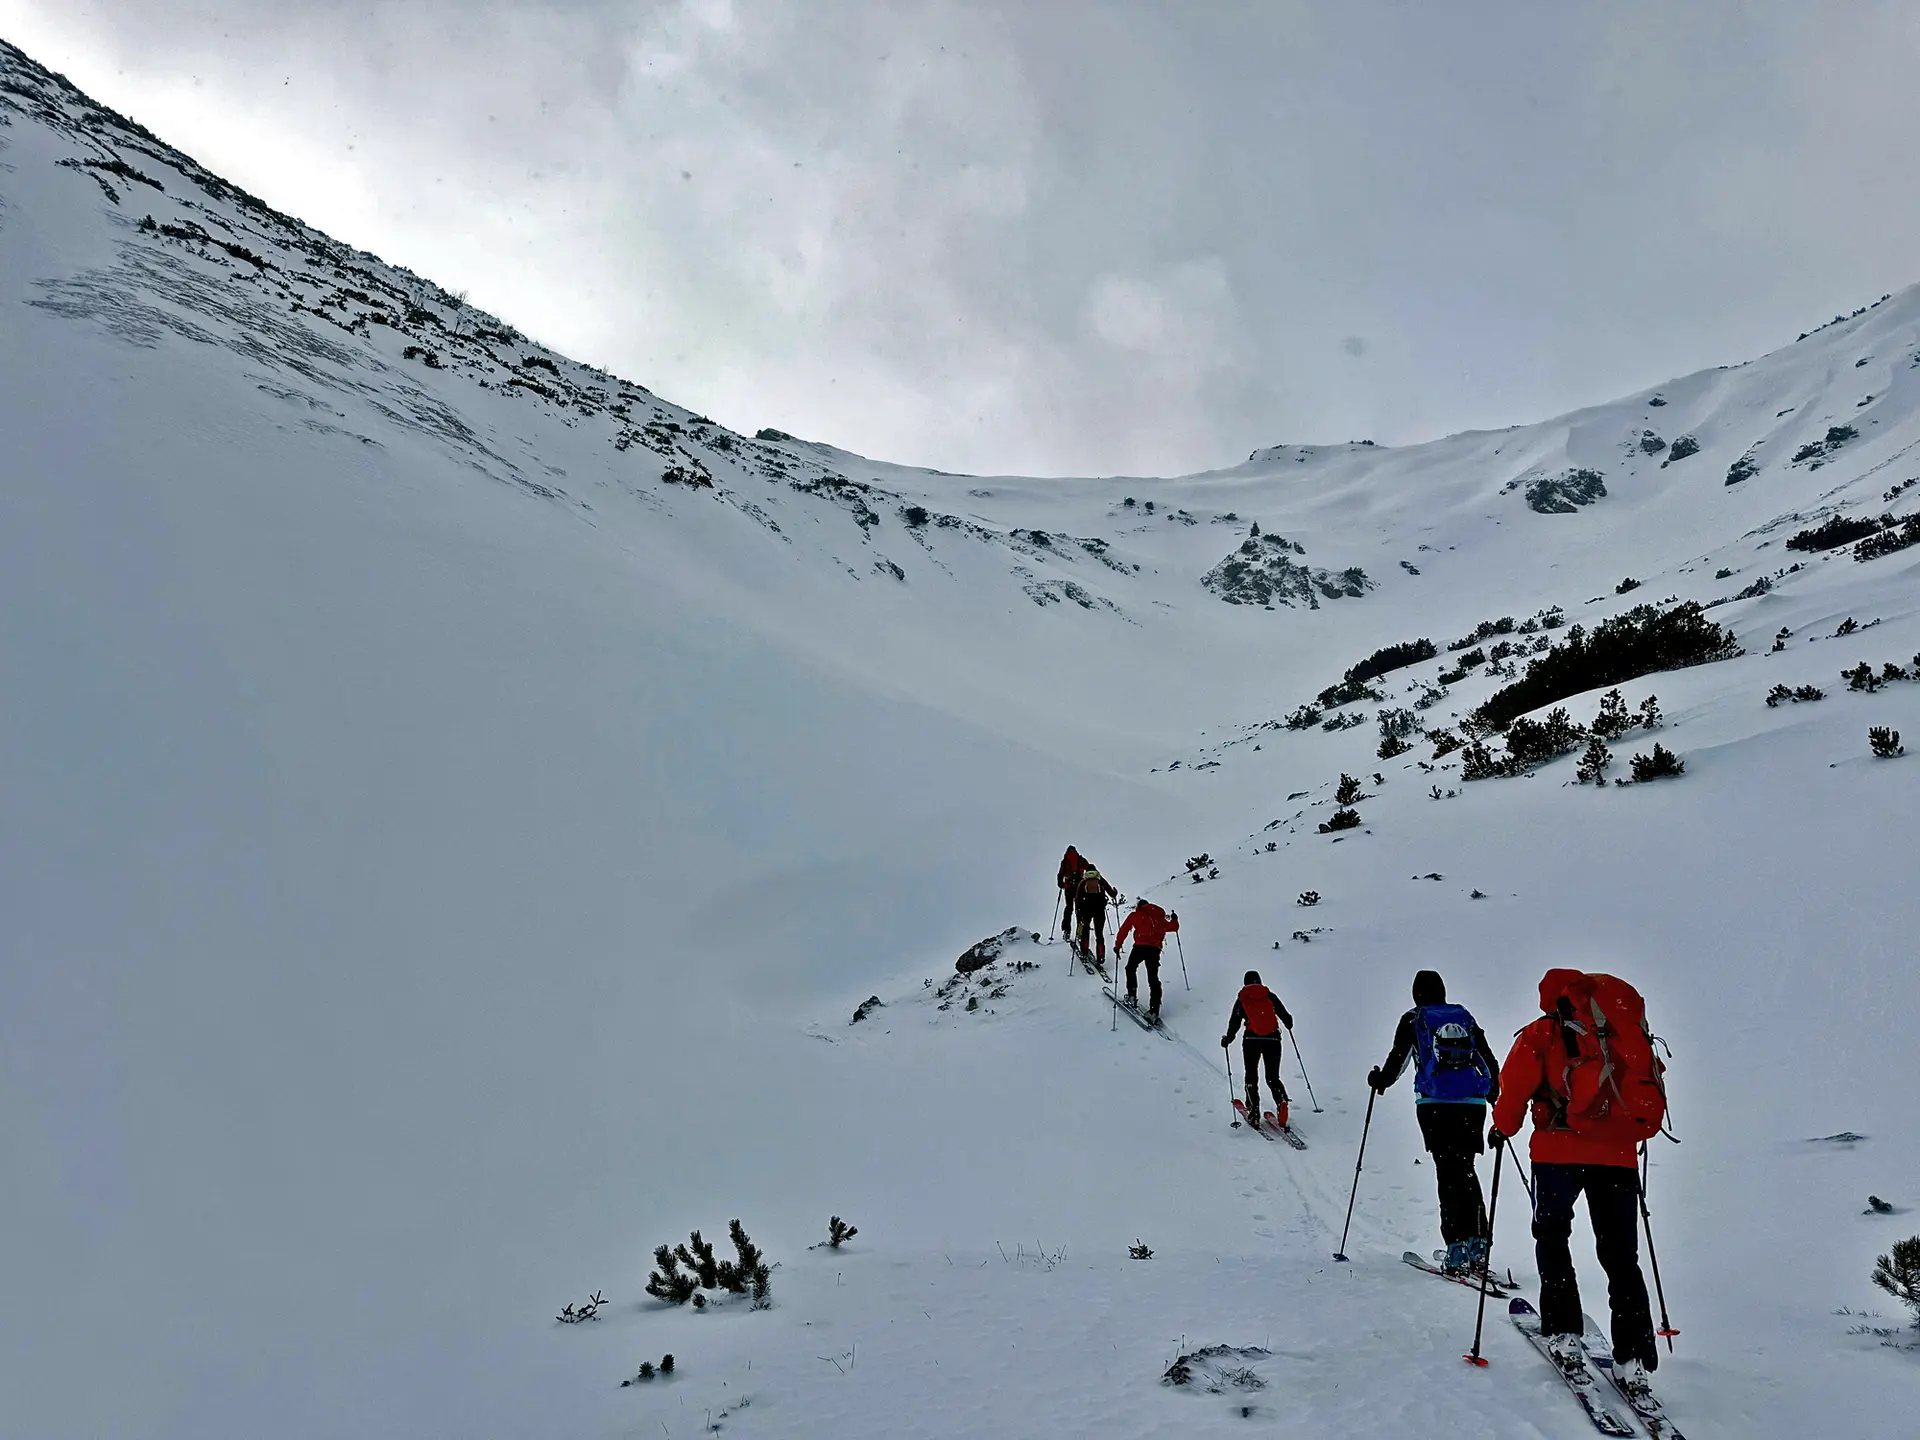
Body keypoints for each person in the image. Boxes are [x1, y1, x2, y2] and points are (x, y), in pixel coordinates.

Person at [1490, 968, 1661, 1398]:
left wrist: (1502, 1127)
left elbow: (1513, 1089)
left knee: (1552, 1238)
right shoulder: (1618, 1033)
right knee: (1621, 1255)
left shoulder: (1542, 1033)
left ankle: (1565, 1333)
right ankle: (1634, 1358)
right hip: (1618, 1155)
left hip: (1556, 1153)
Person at [1367, 970, 1501, 1275]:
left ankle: (1455, 1249)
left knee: (1448, 1172)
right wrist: (1492, 1094)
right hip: (1472, 1105)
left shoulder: (1414, 1020)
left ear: (1417, 994)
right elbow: (1488, 1060)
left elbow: (1397, 1060)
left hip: (1435, 1105)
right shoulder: (1464, 1016)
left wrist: (1379, 1080)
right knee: (1466, 1170)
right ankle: (1478, 1244)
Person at [1221, 970, 1293, 1129]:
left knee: (1251, 1076)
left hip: (1251, 1040)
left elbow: (1235, 1021)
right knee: (1273, 1077)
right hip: (1273, 1039)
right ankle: (1281, 1101)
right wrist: (1288, 1024)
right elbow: (1287, 1018)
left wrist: (1228, 1038)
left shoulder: (1243, 998)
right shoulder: (1269, 996)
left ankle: (1254, 1113)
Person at [1113, 898, 1179, 1021]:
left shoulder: (1135, 915)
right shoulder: (1158, 917)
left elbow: (1124, 930)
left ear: (1139, 906)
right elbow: (1173, 927)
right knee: (1153, 978)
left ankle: (1132, 996)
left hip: (1139, 947)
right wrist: (1175, 919)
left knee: (1130, 968)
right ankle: (1154, 1011)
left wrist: (1118, 946)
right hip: (1154, 949)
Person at [1073, 862, 1117, 963]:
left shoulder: (1083, 882)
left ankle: (1084, 951)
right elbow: (1111, 893)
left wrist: (1078, 911)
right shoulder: (1100, 880)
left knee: (1085, 930)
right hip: (1099, 910)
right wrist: (1115, 892)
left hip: (1086, 910)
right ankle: (1100, 955)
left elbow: (1078, 897)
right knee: (1099, 934)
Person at [1056, 846, 1086, 940]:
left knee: (1069, 908)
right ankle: (1080, 932)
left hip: (1069, 887)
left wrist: (1061, 884)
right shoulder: (1081, 860)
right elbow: (1089, 868)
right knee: (1079, 909)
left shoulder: (1064, 861)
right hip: (1079, 887)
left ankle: (1067, 931)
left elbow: (1060, 875)